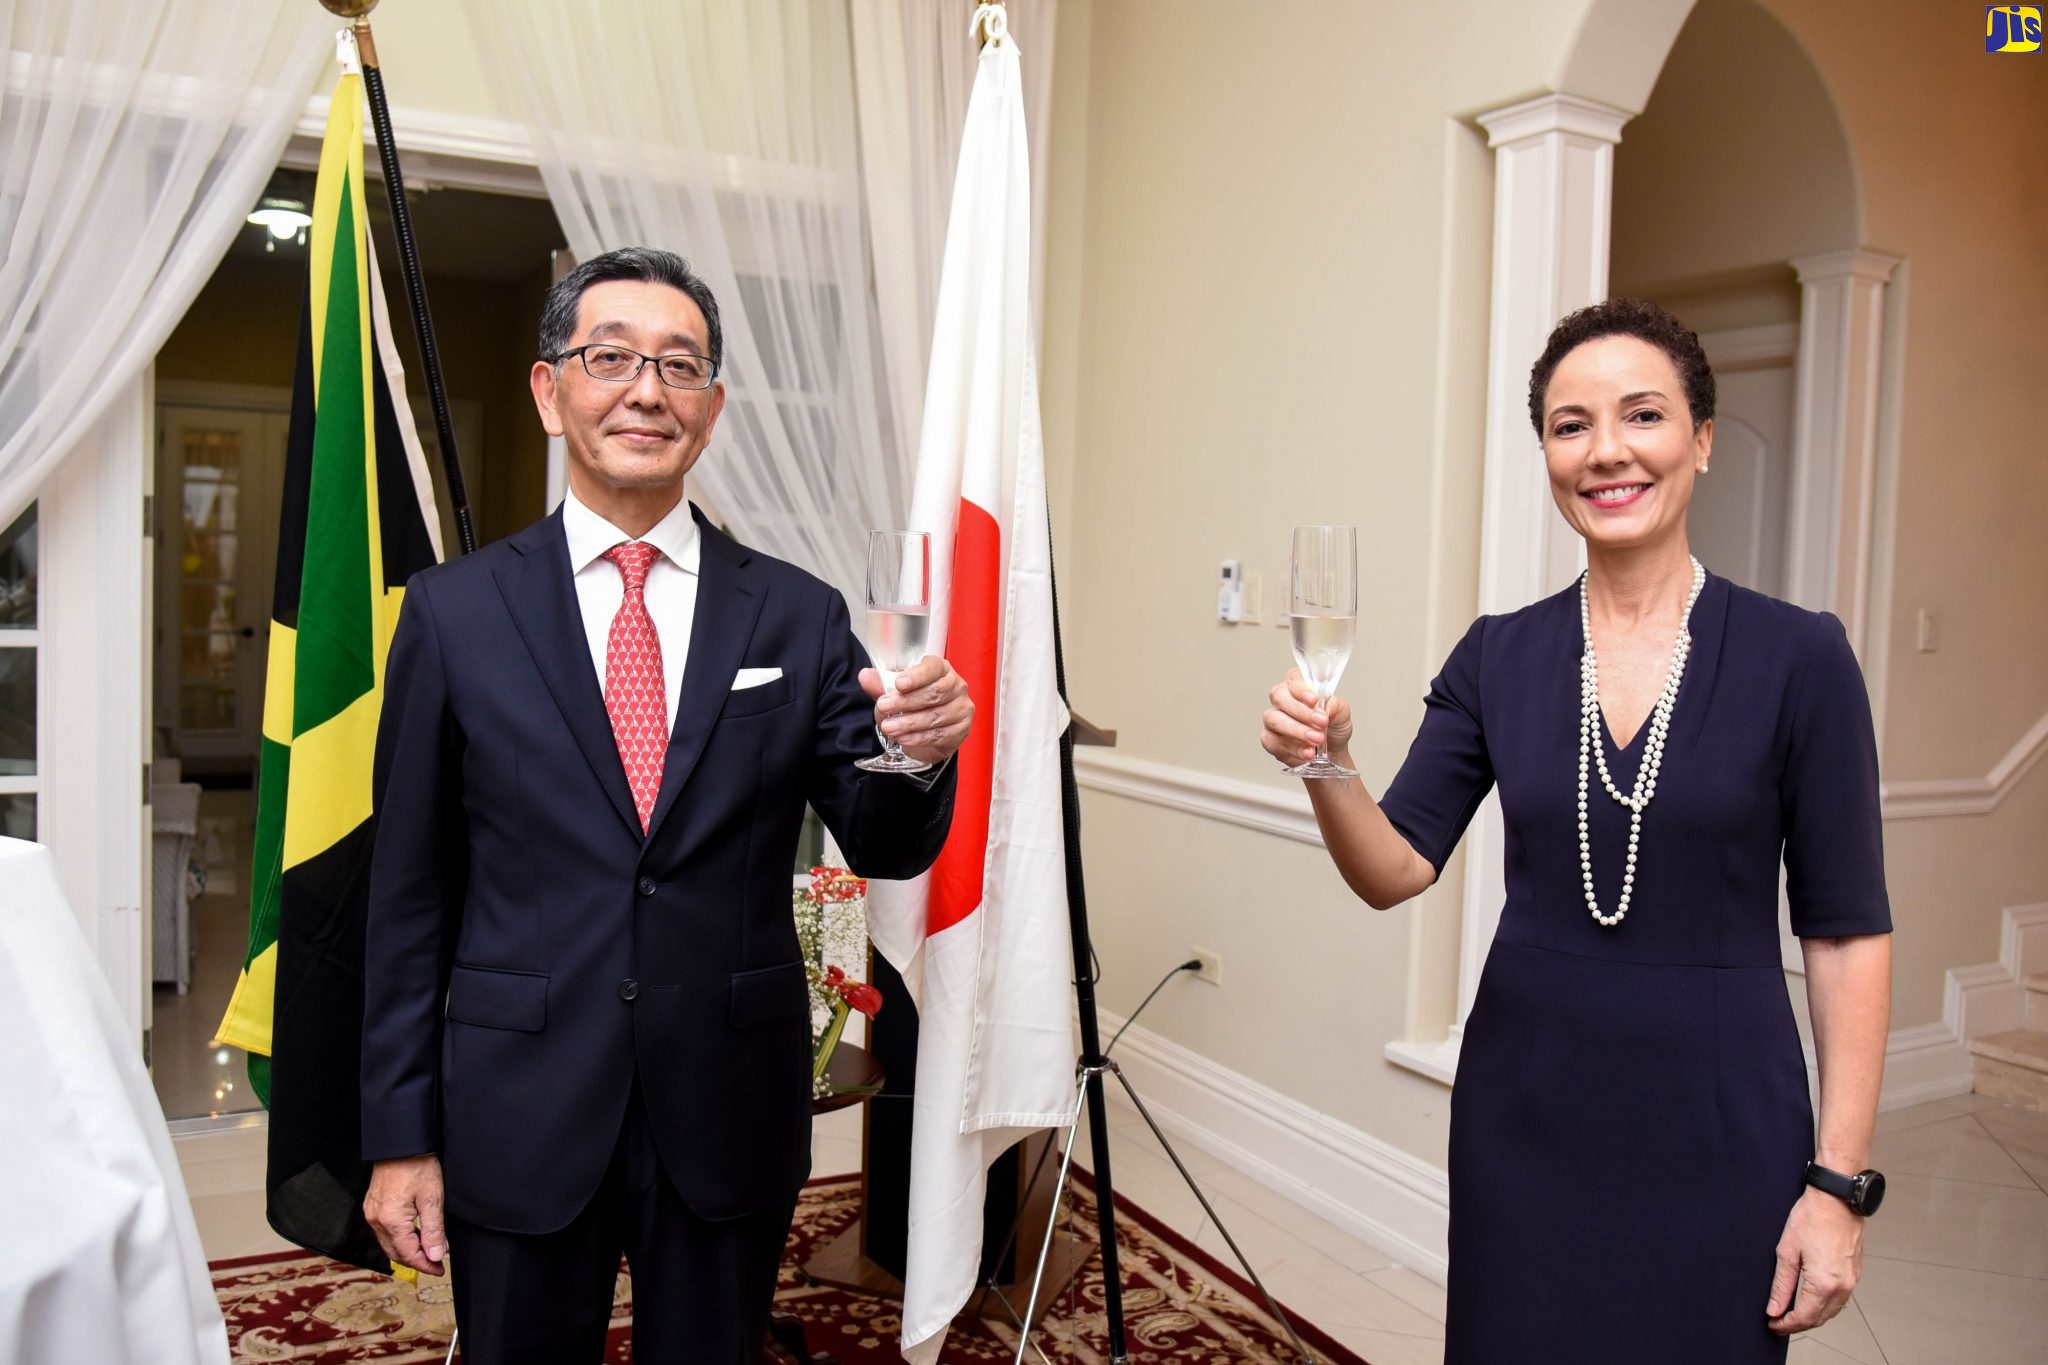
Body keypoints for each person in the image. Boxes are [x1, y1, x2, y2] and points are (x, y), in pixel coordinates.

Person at [357, 247, 971, 1363]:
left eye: (678, 367)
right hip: (519, 1102)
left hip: (727, 1102)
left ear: (712, 408)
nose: (646, 390)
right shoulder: (452, 615)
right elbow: (405, 896)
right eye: (610, 358)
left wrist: (920, 755)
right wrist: (400, 1137)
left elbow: (881, 840)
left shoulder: (793, 612)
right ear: (551, 393)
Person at [1260, 299, 1892, 1363]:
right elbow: (1392, 868)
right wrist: (1324, 760)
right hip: (1527, 1119)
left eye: (1640, 416)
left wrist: (1836, 1185)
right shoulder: (1497, 655)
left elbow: (1843, 934)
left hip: (1722, 1126)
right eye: (1567, 425)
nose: (1604, 452)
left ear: (1697, 438)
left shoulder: (1800, 658)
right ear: (1545, 453)